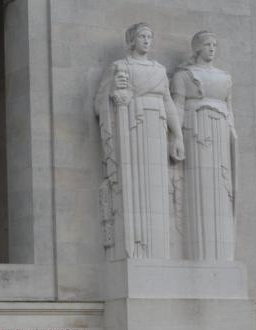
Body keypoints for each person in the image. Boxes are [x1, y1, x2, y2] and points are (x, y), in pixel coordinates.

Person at [95, 23, 184, 260]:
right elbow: (100, 102)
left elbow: (169, 103)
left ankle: (157, 249)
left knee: (157, 188)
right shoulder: (119, 67)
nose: (146, 40)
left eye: (149, 37)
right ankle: (137, 245)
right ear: (132, 41)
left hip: (157, 128)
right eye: (142, 36)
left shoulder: (159, 70)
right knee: (134, 184)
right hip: (132, 129)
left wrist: (177, 135)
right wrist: (117, 96)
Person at [171, 30, 237, 261]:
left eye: (215, 44)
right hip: (196, 129)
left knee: (221, 187)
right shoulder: (185, 75)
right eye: (207, 44)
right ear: (197, 47)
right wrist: (176, 137)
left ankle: (221, 252)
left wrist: (232, 135)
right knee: (200, 185)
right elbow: (177, 106)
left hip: (220, 133)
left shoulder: (224, 77)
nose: (212, 48)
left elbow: (230, 112)